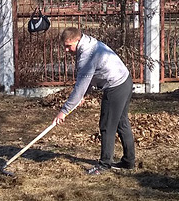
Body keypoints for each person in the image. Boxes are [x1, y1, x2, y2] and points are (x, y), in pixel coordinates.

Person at [54, 27, 136, 174]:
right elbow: (91, 77)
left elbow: (80, 85)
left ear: (77, 40)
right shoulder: (89, 44)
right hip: (125, 81)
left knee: (107, 125)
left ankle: (104, 164)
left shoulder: (87, 55)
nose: (66, 50)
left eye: (68, 46)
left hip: (115, 85)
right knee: (121, 122)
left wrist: (64, 111)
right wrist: (84, 95)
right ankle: (128, 161)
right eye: (64, 46)